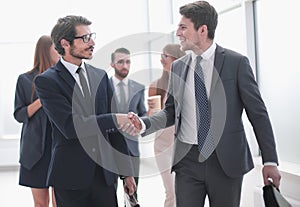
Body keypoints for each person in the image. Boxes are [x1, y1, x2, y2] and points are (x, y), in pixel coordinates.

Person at [129, 1, 281, 207]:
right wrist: (145, 123)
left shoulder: (236, 63)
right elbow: (171, 112)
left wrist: (270, 160)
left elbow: (258, 114)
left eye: (183, 27)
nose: (178, 33)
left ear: (202, 30)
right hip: (188, 160)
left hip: (225, 161)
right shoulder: (178, 68)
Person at [34, 15, 136, 207]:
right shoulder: (47, 81)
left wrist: (126, 172)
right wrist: (114, 118)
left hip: (105, 175)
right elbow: (71, 126)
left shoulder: (100, 76)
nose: (92, 43)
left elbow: (115, 131)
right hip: (70, 177)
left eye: (92, 36)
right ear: (65, 43)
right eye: (85, 38)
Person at [13, 35, 59, 207]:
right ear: (45, 51)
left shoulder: (62, 79)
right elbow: (19, 115)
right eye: (56, 48)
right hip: (35, 153)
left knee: (60, 202)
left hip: (59, 149)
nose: (60, 52)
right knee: (41, 204)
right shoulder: (24, 80)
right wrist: (41, 100)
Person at [147, 44, 185, 207]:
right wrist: (150, 113)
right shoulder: (156, 85)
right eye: (161, 55)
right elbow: (152, 117)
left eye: (165, 56)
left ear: (177, 59)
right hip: (163, 145)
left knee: (185, 191)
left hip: (183, 144)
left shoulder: (186, 84)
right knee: (171, 191)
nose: (161, 59)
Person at [109, 47, 147, 203]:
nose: (125, 65)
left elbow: (142, 114)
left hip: (131, 148)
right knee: (109, 194)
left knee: (132, 195)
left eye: (128, 61)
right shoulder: (104, 86)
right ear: (112, 64)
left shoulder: (138, 88)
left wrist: (145, 119)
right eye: (120, 62)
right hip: (109, 148)